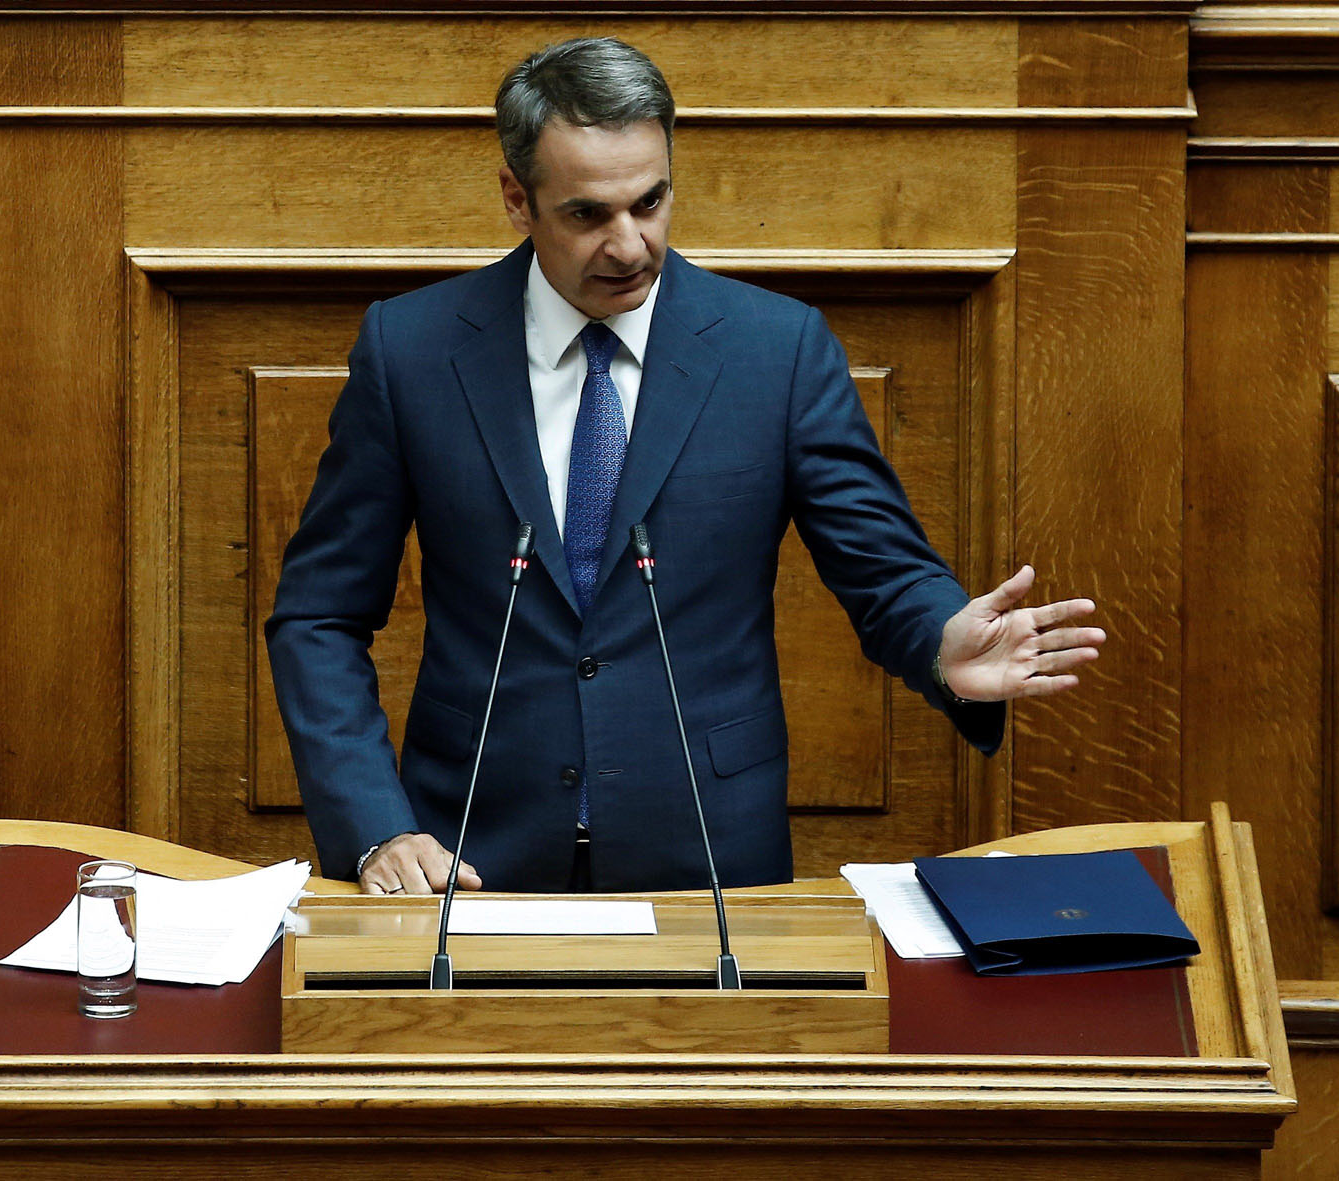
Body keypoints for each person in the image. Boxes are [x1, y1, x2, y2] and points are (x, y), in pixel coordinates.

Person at [267, 37, 1103, 896]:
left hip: (707, 857)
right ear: (518, 200)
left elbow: (884, 572)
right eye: (588, 215)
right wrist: (377, 827)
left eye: (651, 202)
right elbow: (319, 615)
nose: (629, 246)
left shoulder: (775, 351)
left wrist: (939, 641)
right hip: (466, 858)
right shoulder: (413, 351)